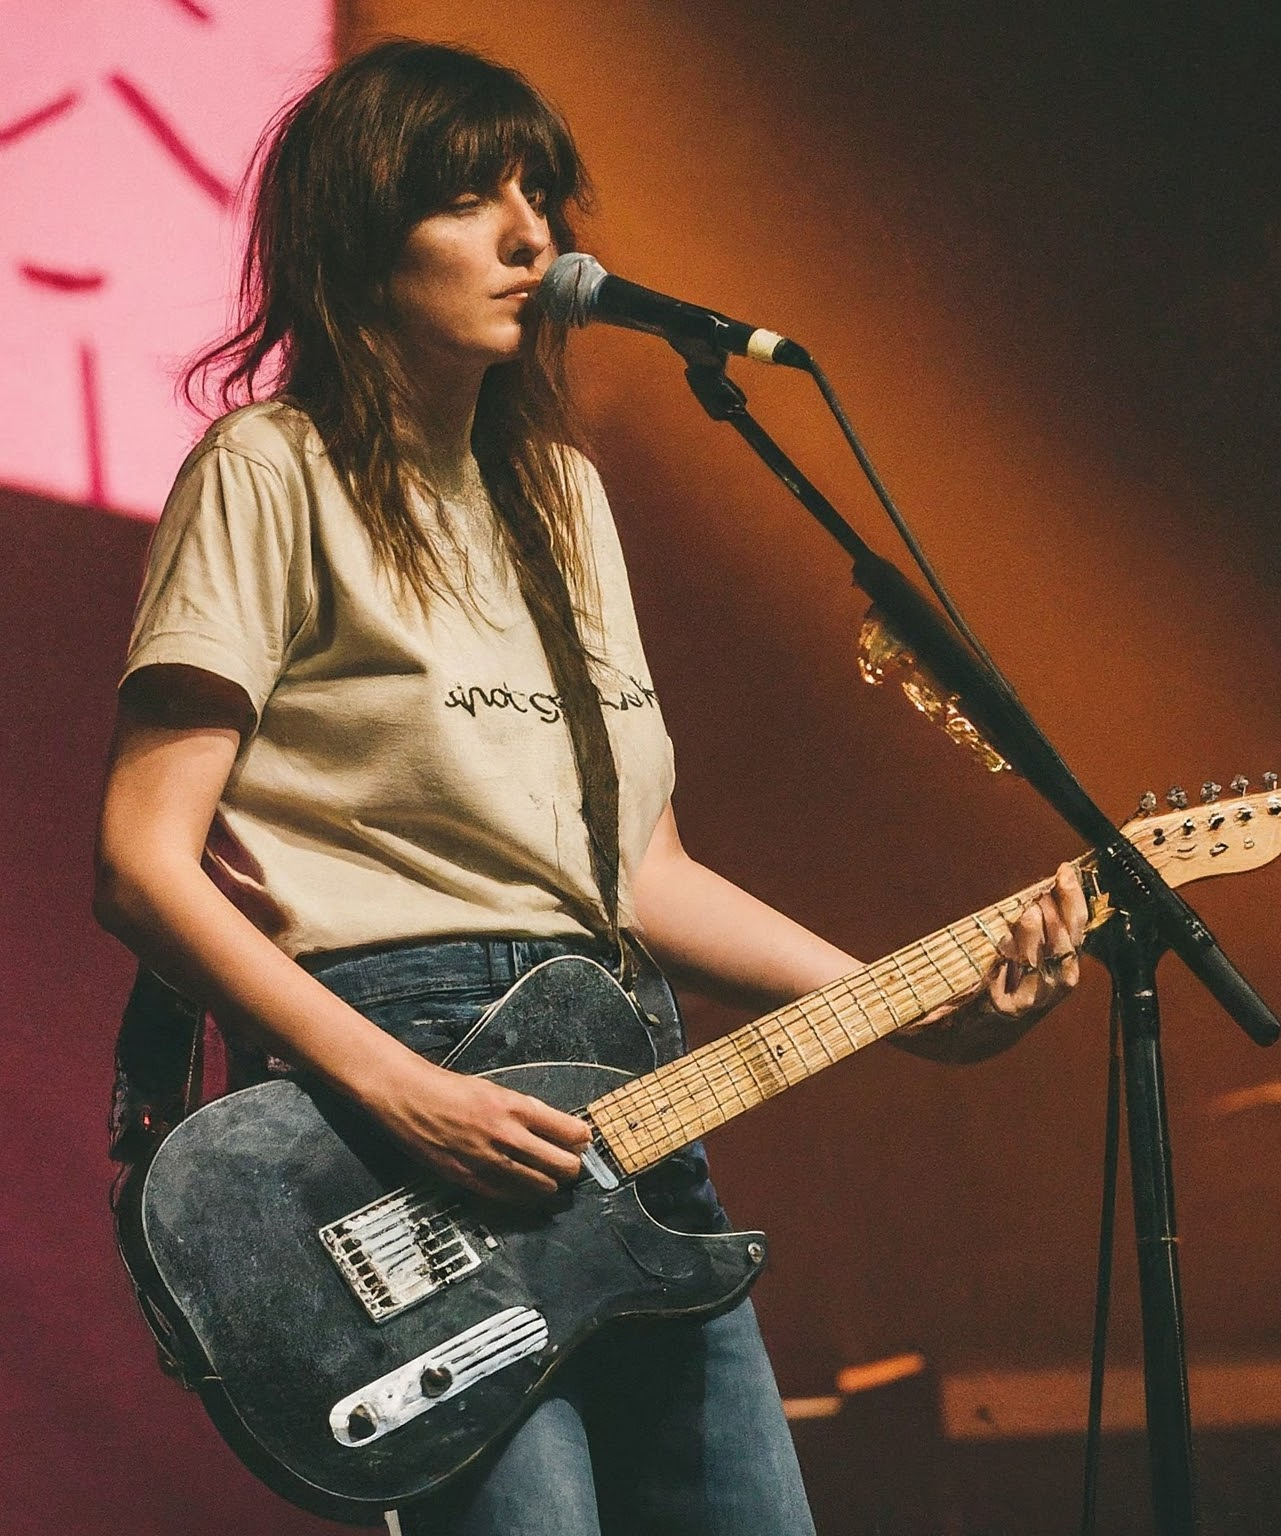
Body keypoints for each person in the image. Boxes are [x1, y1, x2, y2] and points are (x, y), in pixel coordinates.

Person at [93, 39, 1088, 1536]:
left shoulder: (560, 495)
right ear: (362, 231)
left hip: (617, 1077)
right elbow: (141, 859)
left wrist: (911, 1003)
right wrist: (399, 1086)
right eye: (469, 195)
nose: (531, 234)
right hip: (396, 1080)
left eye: (540, 191)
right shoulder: (269, 469)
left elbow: (644, 875)